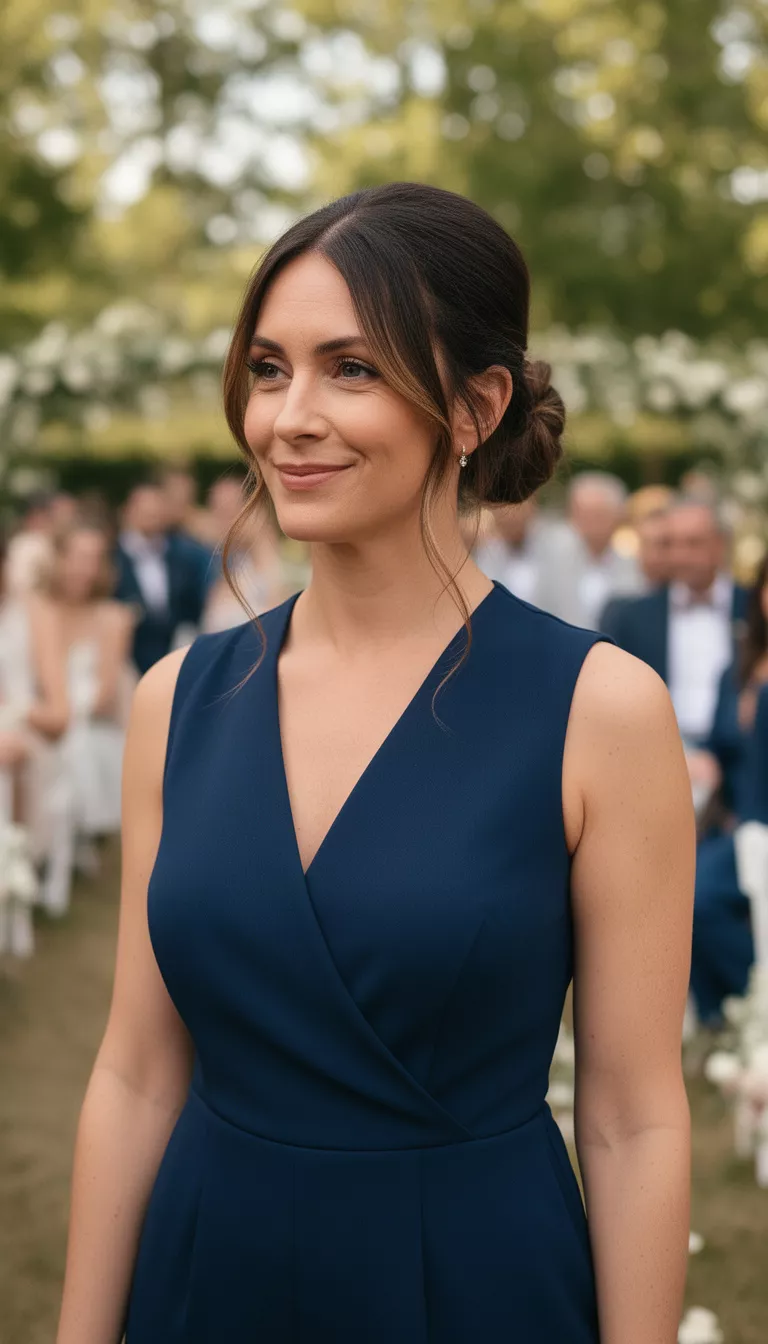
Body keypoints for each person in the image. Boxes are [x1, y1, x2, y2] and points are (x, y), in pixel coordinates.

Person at [58, 184, 694, 1344]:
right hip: (205, 1274)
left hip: (473, 1282)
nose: (290, 417)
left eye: (351, 368)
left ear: (475, 407)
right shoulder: (177, 701)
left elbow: (633, 1117)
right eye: (268, 369)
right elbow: (137, 1072)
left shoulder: (601, 710)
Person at [687, 554, 768, 1027]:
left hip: (760, 826)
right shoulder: (737, 668)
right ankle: (721, 1016)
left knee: (701, 898)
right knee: (677, 893)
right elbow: (721, 743)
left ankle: (749, 1004)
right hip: (732, 820)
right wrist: (705, 759)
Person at [601, 499, 748, 748]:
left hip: (740, 756)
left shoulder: (752, 607)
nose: (680, 556)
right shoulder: (633, 617)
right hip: (656, 750)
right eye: (671, 544)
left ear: (720, 544)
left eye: (693, 543)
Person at [37, 522, 135, 862]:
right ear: (59, 559)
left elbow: (105, 694)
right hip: (47, 718)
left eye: (94, 559)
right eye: (78, 557)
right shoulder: (40, 612)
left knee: (76, 749)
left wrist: (64, 718)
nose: (85, 568)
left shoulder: (114, 617)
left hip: (95, 724)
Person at [114, 482, 207, 674]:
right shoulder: (111, 557)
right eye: (145, 511)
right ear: (128, 511)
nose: (151, 517)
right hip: (126, 658)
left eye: (155, 512)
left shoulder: (186, 555)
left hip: (176, 656)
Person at [473, 496, 588, 624]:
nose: (509, 516)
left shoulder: (560, 546)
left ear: (531, 506)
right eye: (501, 508)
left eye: (515, 507)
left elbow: (569, 607)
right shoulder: (487, 553)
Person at [201, 474, 292, 632]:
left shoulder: (277, 569)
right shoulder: (229, 560)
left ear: (253, 510)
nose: (221, 523)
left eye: (228, 513)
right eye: (217, 513)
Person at [566, 472, 644, 627]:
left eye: (598, 515)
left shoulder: (634, 565)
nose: (590, 523)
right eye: (583, 514)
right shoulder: (554, 563)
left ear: (618, 516)